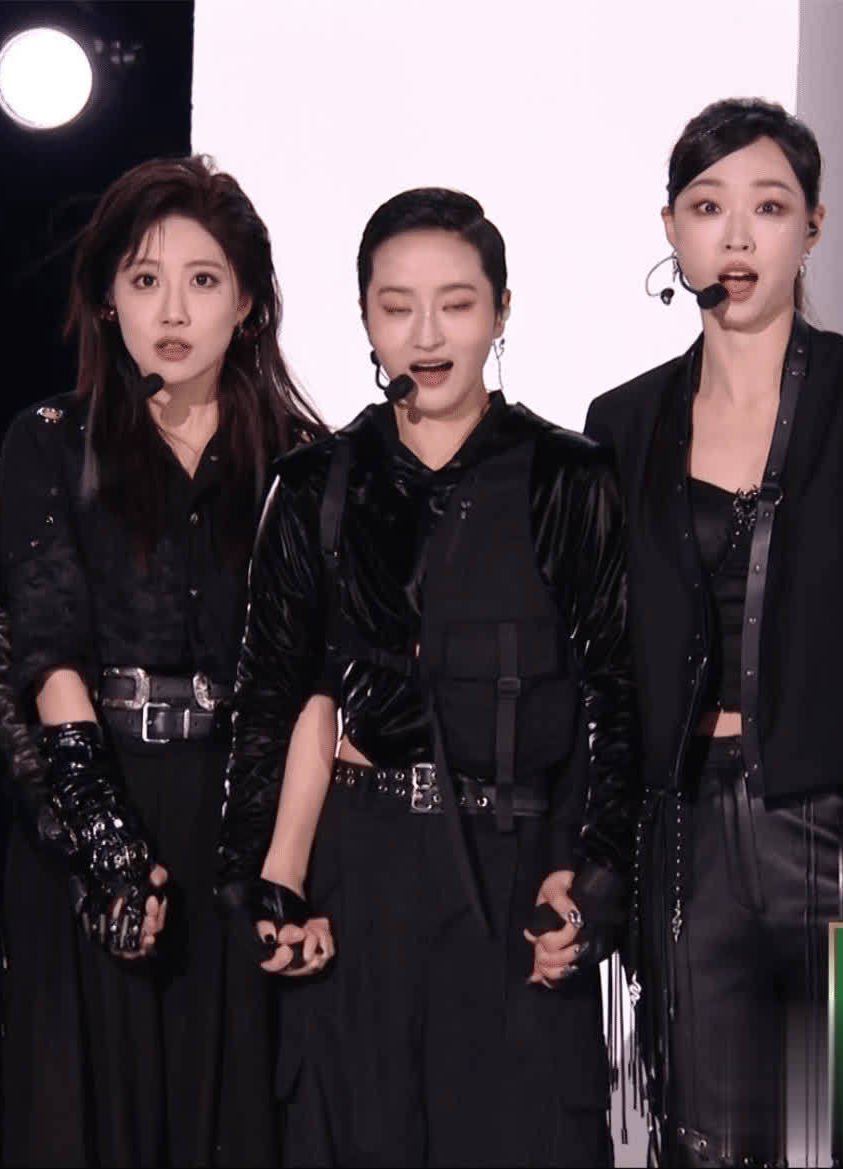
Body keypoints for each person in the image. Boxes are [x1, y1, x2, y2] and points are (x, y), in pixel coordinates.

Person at [583, 97, 843, 1167]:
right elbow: (605, 665)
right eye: (706, 207)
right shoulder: (621, 422)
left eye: (767, 208)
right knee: (705, 1148)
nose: (735, 236)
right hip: (683, 844)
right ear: (670, 229)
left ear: (812, 226)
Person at [218, 188, 637, 1167]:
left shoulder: (567, 476)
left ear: (500, 309)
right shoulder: (314, 484)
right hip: (357, 877)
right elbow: (270, 699)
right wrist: (263, 889)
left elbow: (613, 695)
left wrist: (592, 875)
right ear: (364, 315)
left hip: (517, 871)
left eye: (456, 302)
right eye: (396, 304)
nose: (427, 332)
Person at [0, 155, 322, 1167]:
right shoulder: (51, 440)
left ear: (247, 302)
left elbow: (313, 673)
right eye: (144, 280)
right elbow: (46, 648)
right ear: (107, 299)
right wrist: (106, 845)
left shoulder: (302, 458)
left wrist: (278, 867)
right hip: (96, 789)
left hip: (247, 803)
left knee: (237, 1117)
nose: (171, 310)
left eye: (203, 279)